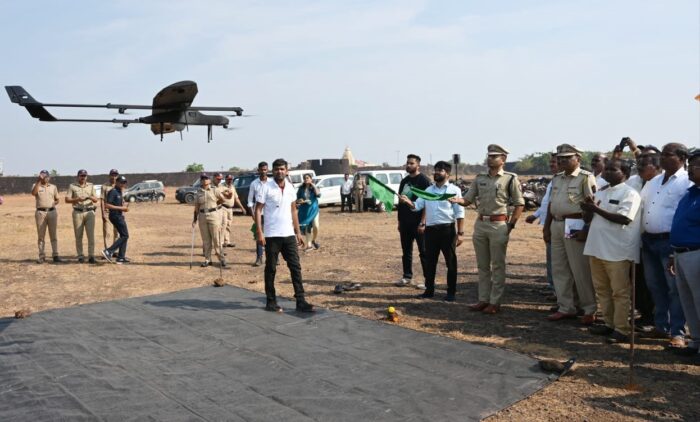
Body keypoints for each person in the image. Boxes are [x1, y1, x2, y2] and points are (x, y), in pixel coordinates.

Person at [451, 145, 524, 314]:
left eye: (494, 156)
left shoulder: (510, 178)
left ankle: (495, 301)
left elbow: (519, 203)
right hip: (481, 224)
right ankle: (483, 299)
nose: (490, 159)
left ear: (503, 159)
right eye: (489, 156)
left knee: (497, 265)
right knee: (482, 265)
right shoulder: (480, 178)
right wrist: (456, 200)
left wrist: (511, 225)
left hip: (499, 224)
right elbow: (468, 200)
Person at [582, 159, 641, 344]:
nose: (606, 172)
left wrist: (595, 208)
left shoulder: (630, 193)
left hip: (617, 250)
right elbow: (588, 219)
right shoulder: (601, 191)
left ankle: (622, 329)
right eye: (606, 169)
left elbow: (624, 218)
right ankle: (609, 324)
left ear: (624, 173)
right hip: (596, 247)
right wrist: (587, 208)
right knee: (602, 289)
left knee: (619, 292)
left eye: (612, 169)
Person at [640, 142, 691, 348]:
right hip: (649, 241)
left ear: (682, 158)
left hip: (670, 242)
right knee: (655, 286)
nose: (662, 158)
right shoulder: (654, 181)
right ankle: (661, 325)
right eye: (662, 154)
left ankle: (677, 332)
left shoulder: (687, 181)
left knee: (675, 289)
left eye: (668, 155)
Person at [543, 144, 597, 324]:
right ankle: (566, 307)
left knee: (580, 269)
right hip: (557, 223)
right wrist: (546, 227)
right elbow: (551, 204)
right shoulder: (557, 178)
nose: (562, 161)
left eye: (567, 158)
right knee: (559, 268)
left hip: (575, 223)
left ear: (578, 159)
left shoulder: (585, 178)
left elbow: (592, 205)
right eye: (560, 158)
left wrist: (586, 228)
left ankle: (589, 308)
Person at [255, 158, 315, 313]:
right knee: (271, 268)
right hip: (272, 235)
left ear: (287, 171)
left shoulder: (290, 187)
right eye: (276, 169)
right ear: (272, 171)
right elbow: (258, 210)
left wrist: (298, 232)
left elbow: (293, 210)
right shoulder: (266, 187)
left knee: (295, 267)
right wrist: (259, 232)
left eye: (282, 169)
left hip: (288, 234)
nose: (279, 172)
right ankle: (271, 301)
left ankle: (300, 301)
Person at [400, 161, 465, 302]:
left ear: (447, 174)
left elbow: (460, 213)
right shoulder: (428, 191)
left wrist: (460, 233)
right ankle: (429, 291)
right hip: (431, 231)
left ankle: (451, 292)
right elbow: (417, 206)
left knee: (451, 263)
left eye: (440, 170)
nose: (436, 173)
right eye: (435, 170)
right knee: (430, 262)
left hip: (447, 230)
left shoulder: (454, 190)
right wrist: (407, 201)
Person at [668, 149, 700, 356]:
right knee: (689, 302)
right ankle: (695, 342)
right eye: (690, 165)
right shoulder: (690, 193)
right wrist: (673, 254)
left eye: (695, 166)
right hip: (681, 254)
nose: (689, 170)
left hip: (696, 253)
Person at [626, 153, 661, 330]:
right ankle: (645, 314)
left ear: (657, 166)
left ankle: (657, 319)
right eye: (638, 164)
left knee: (655, 283)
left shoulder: (661, 184)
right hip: (635, 241)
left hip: (657, 241)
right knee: (639, 281)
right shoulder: (633, 181)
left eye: (643, 165)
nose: (639, 168)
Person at [395, 154, 431, 289]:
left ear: (418, 165)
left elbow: (428, 203)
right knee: (406, 251)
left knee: (424, 252)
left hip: (419, 223)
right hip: (405, 222)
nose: (408, 165)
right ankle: (407, 276)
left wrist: (423, 222)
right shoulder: (404, 181)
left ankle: (428, 280)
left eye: (411, 163)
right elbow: (401, 203)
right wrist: (399, 221)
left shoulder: (424, 181)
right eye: (407, 163)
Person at [526, 154, 558, 291]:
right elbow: (546, 203)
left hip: (555, 224)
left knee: (555, 259)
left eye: (554, 162)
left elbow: (553, 204)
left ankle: (556, 288)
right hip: (547, 223)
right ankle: (552, 286)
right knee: (551, 257)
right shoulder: (554, 181)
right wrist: (535, 215)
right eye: (551, 162)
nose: (551, 165)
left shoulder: (561, 181)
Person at [193, 174, 227, 268]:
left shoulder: (214, 190)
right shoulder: (198, 193)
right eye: (202, 179)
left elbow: (222, 199)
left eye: (206, 178)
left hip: (213, 215)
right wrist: (194, 219)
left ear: (209, 180)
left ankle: (221, 258)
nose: (204, 180)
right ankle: (207, 259)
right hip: (202, 216)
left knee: (217, 239)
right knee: (206, 240)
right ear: (200, 181)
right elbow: (196, 207)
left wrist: (216, 205)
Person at [65, 169, 99, 264]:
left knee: (91, 235)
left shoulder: (91, 186)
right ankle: (80, 255)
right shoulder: (72, 186)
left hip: (89, 212)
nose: (83, 177)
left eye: (84, 176)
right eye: (81, 176)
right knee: (78, 235)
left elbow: (96, 199)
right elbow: (67, 200)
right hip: (77, 212)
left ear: (86, 177)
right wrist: (77, 199)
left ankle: (91, 255)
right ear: (78, 176)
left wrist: (89, 197)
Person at [31, 169, 62, 263]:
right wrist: (38, 181)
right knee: (41, 236)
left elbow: (57, 199)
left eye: (46, 176)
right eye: (43, 176)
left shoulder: (53, 187)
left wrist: (54, 203)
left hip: (52, 212)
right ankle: (41, 256)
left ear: (49, 177)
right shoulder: (36, 185)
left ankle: (55, 255)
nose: (45, 178)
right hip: (40, 212)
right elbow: (33, 193)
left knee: (53, 235)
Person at [101, 176, 130, 264]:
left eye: (124, 182)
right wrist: (121, 208)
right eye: (121, 182)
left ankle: (121, 257)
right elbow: (107, 205)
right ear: (116, 182)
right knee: (125, 235)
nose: (123, 184)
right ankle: (108, 251)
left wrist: (124, 206)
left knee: (123, 235)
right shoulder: (113, 191)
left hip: (119, 215)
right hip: (115, 216)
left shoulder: (120, 191)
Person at [248, 162, 269, 266]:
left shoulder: (272, 182)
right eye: (261, 170)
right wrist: (253, 215)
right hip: (259, 214)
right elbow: (250, 201)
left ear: (267, 170)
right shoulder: (254, 184)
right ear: (258, 170)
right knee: (259, 235)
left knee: (271, 236)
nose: (263, 171)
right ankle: (259, 258)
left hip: (271, 214)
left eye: (265, 170)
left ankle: (273, 257)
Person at [296, 173, 321, 250]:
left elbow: (318, 194)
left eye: (307, 178)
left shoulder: (314, 187)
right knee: (307, 226)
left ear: (311, 179)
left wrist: (313, 185)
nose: (306, 179)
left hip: (314, 209)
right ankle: (309, 245)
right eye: (305, 178)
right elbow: (297, 199)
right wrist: (300, 201)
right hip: (305, 210)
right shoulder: (301, 188)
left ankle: (313, 240)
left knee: (316, 226)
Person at [221, 174, 246, 248]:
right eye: (228, 179)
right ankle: (221, 242)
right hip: (223, 208)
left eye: (231, 179)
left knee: (228, 225)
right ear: (225, 179)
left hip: (230, 209)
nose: (230, 180)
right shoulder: (221, 187)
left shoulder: (232, 187)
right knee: (223, 225)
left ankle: (227, 241)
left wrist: (242, 208)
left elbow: (236, 198)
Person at [101, 169, 120, 253]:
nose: (114, 177)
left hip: (117, 212)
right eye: (112, 175)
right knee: (107, 232)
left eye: (115, 175)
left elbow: (122, 199)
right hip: (107, 212)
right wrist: (103, 213)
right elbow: (102, 200)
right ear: (109, 176)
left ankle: (115, 251)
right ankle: (107, 251)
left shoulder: (120, 186)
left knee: (117, 232)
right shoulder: (104, 186)